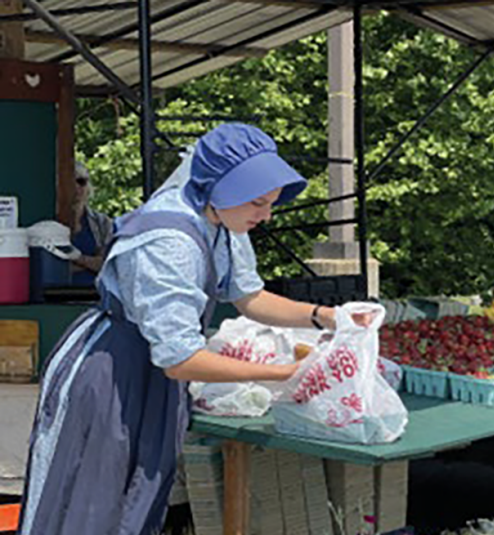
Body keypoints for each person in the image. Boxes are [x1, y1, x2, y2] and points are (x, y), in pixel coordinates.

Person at [18, 123, 370, 535]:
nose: (267, 214)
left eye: (271, 202)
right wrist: (286, 375)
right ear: (219, 190)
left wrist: (326, 316)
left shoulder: (223, 218)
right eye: (258, 202)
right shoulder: (169, 241)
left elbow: (248, 297)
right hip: (111, 370)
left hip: (154, 371)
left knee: (138, 499)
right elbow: (180, 359)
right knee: (90, 502)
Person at [70, 161, 114, 284]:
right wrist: (91, 262)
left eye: (81, 181)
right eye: (70, 181)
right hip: (57, 297)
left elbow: (108, 266)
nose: (76, 187)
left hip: (96, 296)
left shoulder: (102, 222)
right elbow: (54, 270)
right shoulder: (52, 223)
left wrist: (78, 259)